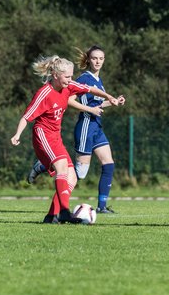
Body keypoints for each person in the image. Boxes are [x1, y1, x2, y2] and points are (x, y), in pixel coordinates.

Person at [11, 54, 119, 223]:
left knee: (72, 177)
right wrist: (17, 134)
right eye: (67, 77)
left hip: (56, 136)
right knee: (62, 167)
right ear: (55, 75)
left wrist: (108, 97)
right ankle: (64, 213)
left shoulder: (69, 85)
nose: (70, 80)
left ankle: (51, 216)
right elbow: (26, 117)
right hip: (43, 135)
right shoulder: (44, 93)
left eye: (71, 76)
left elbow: (90, 89)